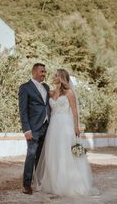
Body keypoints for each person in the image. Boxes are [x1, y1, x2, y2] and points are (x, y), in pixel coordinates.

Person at [33, 68, 98, 196]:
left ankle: (68, 183)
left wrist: (76, 127)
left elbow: (74, 111)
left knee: (66, 153)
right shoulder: (51, 93)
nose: (53, 77)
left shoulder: (69, 93)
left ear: (62, 78)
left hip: (66, 126)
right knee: (54, 153)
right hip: (53, 126)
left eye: (56, 75)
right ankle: (54, 183)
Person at [18, 63, 51, 195]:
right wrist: (26, 129)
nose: (44, 74)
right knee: (31, 155)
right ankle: (26, 185)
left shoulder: (46, 87)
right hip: (33, 127)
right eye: (42, 71)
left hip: (46, 126)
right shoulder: (25, 88)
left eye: (45, 72)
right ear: (35, 72)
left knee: (41, 156)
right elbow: (23, 110)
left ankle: (38, 182)